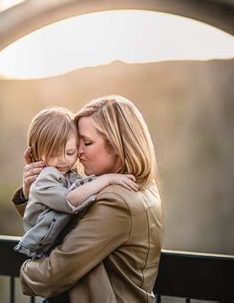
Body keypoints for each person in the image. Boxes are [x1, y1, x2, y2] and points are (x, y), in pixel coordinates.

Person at [12, 95, 164, 302]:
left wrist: (25, 272)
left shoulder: (116, 202)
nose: (78, 152)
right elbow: (65, 220)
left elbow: (53, 274)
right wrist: (33, 192)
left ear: (117, 145)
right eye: (77, 142)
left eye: (87, 143)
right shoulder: (138, 186)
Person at [14, 107, 138, 259]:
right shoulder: (46, 176)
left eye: (70, 153)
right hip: (44, 253)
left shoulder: (70, 174)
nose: (63, 160)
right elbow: (69, 200)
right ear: (35, 154)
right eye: (53, 154)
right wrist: (107, 179)